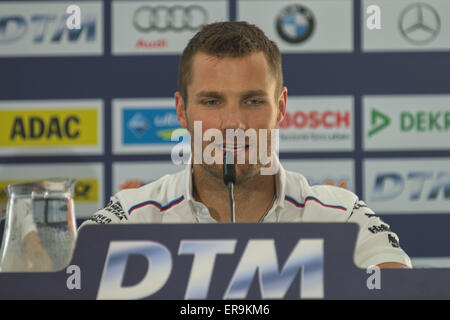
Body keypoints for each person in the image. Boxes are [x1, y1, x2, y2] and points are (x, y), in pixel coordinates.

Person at [82, 21, 411, 269]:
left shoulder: (339, 217)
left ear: (280, 107)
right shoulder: (131, 217)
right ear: (181, 110)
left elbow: (400, 286)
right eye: (212, 102)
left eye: (253, 101)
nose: (233, 123)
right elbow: (66, 282)